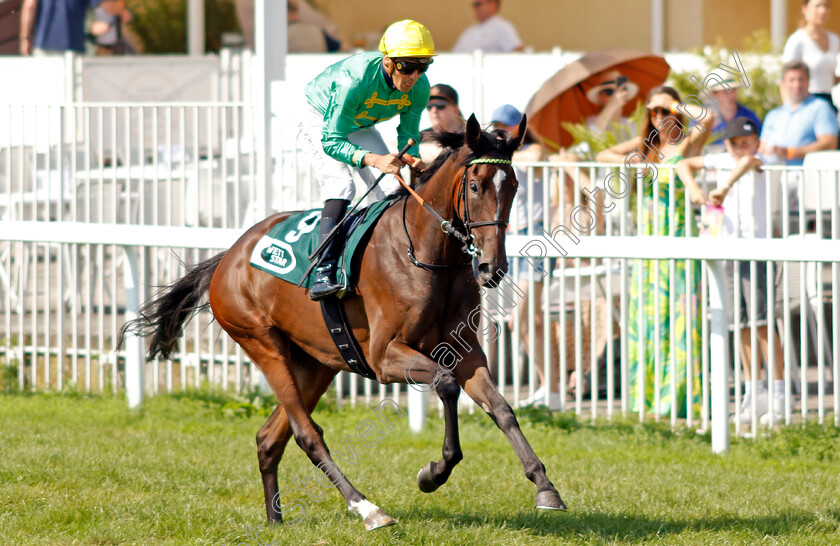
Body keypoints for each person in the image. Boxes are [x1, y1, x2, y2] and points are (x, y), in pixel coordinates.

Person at [596, 86, 714, 417]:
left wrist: (674, 103)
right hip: (647, 245)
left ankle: (676, 401)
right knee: (646, 320)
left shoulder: (686, 144)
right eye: (653, 112)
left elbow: (708, 119)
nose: (659, 117)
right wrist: (633, 163)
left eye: (664, 111)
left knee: (679, 322)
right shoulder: (645, 149)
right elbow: (604, 155)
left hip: (677, 243)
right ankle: (644, 401)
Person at [298, 19, 434, 301]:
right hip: (322, 120)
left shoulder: (420, 87)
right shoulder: (355, 79)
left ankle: (387, 264)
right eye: (407, 66)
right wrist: (373, 159)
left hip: (359, 123)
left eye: (423, 67)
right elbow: (332, 140)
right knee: (341, 184)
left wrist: (412, 157)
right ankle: (324, 270)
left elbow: (408, 133)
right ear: (388, 62)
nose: (414, 76)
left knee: (388, 191)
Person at [676, 117, 786, 425]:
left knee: (762, 322)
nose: (740, 148)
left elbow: (749, 162)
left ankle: (778, 392)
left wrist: (723, 187)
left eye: (746, 142)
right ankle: (755, 390)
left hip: (756, 249)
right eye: (735, 143)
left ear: (756, 143)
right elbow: (682, 165)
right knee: (740, 325)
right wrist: (696, 190)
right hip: (727, 249)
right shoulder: (719, 159)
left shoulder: (755, 160)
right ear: (727, 144)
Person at [486, 105, 560, 409]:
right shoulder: (498, 157)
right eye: (497, 126)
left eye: (508, 126)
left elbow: (538, 155)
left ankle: (552, 391)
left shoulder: (532, 150)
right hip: (514, 240)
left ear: (520, 130)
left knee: (523, 320)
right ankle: (551, 390)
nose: (501, 131)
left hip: (536, 237)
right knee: (532, 320)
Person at [759, 61, 838, 167]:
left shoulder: (820, 108)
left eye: (801, 79)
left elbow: (829, 143)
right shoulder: (773, 115)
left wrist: (791, 153)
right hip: (776, 177)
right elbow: (762, 147)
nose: (796, 84)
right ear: (783, 84)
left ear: (808, 82)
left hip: (808, 177)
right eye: (792, 80)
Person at [782, 0, 839, 112]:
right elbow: (784, 79)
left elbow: (832, 76)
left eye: (826, 6)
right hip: (805, 103)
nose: (822, 10)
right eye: (817, 6)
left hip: (828, 101)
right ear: (805, 9)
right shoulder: (797, 40)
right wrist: (789, 110)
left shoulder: (834, 40)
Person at [19, 0, 125, 56]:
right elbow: (107, 5)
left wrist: (25, 38)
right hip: (73, 46)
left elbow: (29, 5)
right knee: (73, 94)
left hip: (43, 45)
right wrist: (123, 10)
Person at [705, 72, 761, 147]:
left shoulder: (749, 117)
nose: (732, 95)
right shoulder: (702, 120)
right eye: (726, 91)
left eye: (733, 90)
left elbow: (760, 145)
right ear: (713, 95)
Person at [419, 83, 466, 164]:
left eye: (440, 105)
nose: (434, 110)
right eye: (429, 106)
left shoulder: (473, 136)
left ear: (455, 109)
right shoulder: (419, 138)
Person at [452, 0, 522, 53]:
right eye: (474, 4)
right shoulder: (469, 31)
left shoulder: (502, 27)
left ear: (492, 4)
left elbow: (517, 55)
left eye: (478, 4)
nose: (475, 8)